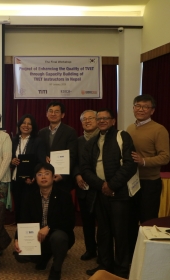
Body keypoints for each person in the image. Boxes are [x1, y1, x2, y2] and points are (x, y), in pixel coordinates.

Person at [81, 109, 138, 278]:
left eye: (106, 118)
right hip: (99, 194)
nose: (102, 121)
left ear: (113, 121)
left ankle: (121, 270)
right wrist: (101, 186)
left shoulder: (123, 136)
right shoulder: (91, 143)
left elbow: (130, 164)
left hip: (119, 194)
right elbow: (85, 169)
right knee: (103, 232)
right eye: (99, 118)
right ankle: (104, 267)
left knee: (121, 233)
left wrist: (112, 185)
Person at [14, 163, 75, 280]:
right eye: (39, 174)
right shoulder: (29, 196)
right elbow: (23, 220)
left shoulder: (64, 196)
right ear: (35, 178)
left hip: (57, 234)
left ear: (53, 177)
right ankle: (45, 256)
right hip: (37, 236)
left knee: (58, 238)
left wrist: (49, 227)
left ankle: (56, 269)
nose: (43, 177)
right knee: (20, 255)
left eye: (47, 174)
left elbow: (69, 222)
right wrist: (17, 238)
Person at [126, 94, 170, 223]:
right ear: (133, 108)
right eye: (138, 106)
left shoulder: (159, 129)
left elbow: (165, 157)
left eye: (145, 107)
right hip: (131, 180)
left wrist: (143, 161)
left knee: (148, 220)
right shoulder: (130, 128)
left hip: (149, 182)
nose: (141, 109)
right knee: (131, 219)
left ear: (152, 111)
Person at [72, 110, 99, 261]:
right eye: (84, 119)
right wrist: (77, 175)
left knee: (103, 223)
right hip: (83, 187)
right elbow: (74, 162)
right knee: (87, 222)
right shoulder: (78, 141)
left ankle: (103, 251)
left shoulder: (105, 138)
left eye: (91, 118)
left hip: (100, 187)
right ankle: (90, 249)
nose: (87, 121)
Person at [10, 114, 47, 222]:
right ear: (19, 125)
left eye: (29, 124)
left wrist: (33, 177)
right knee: (18, 207)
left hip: (30, 181)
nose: (26, 125)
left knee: (29, 209)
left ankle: (30, 236)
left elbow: (41, 162)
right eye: (23, 123)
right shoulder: (14, 140)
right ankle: (19, 235)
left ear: (33, 126)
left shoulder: (37, 141)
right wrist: (12, 161)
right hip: (16, 180)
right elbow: (8, 157)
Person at [37, 101, 78, 193]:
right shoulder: (41, 132)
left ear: (62, 115)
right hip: (45, 178)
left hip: (62, 180)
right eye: (50, 111)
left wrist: (63, 175)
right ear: (46, 114)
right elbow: (39, 152)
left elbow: (72, 155)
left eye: (56, 111)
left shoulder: (70, 132)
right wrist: (44, 157)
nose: (53, 114)